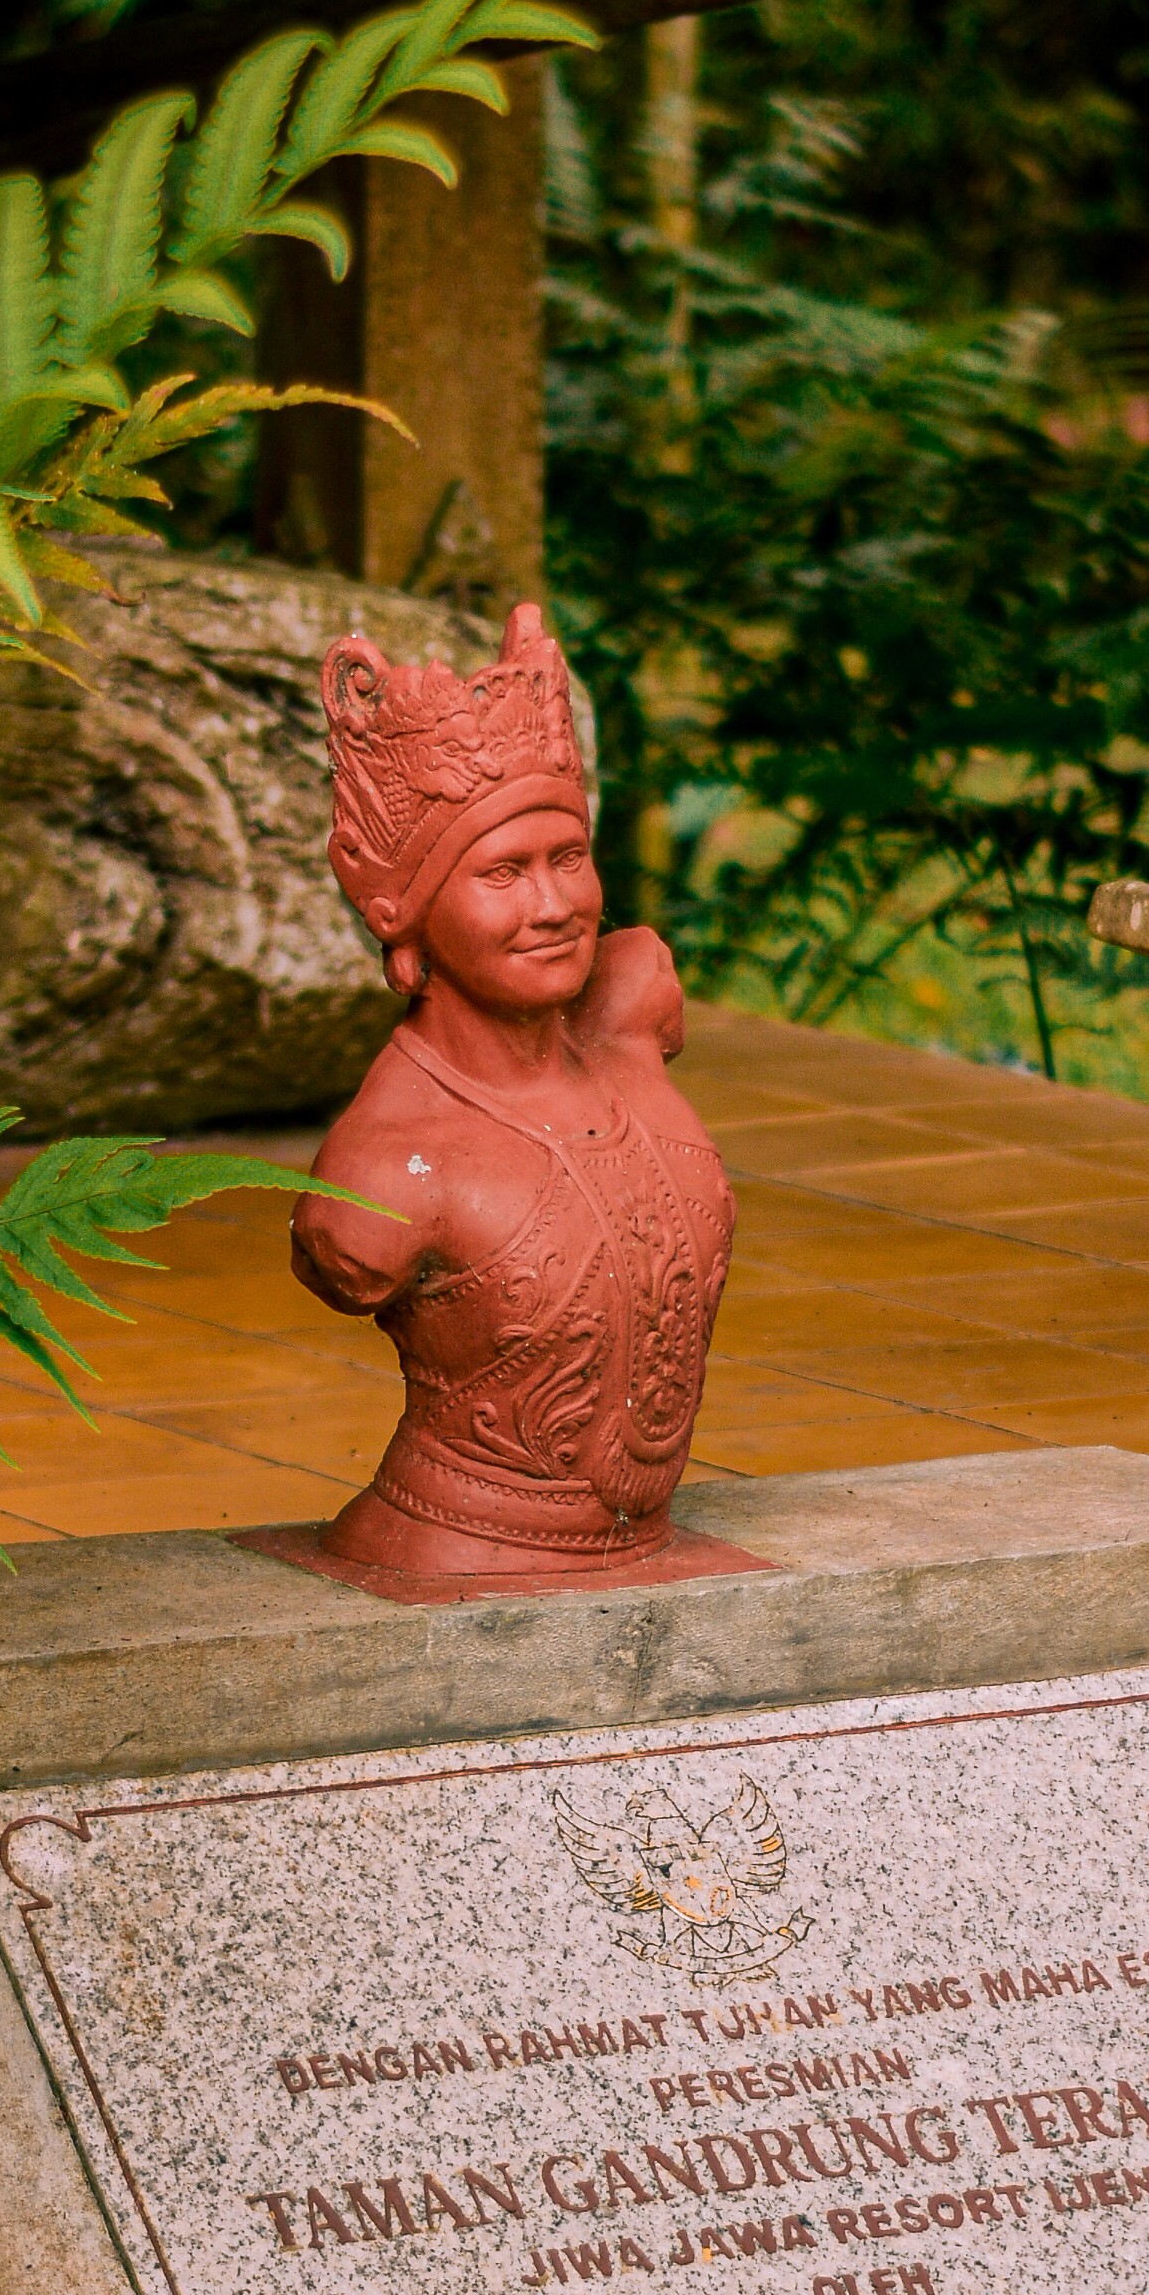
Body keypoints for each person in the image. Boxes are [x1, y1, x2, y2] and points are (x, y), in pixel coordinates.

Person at [292, 599, 736, 1582]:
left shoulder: (632, 1008)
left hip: (642, 1552)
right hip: (454, 1547)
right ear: (405, 909)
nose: (553, 906)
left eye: (567, 858)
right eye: (502, 871)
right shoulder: (385, 1175)